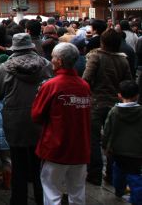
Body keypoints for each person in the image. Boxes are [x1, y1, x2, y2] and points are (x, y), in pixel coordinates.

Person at [0, 33, 53, 205]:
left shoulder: (4, 68)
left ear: (14, 48)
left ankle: (18, 199)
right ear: (32, 47)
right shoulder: (46, 65)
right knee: (39, 164)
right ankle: (41, 198)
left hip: (14, 120)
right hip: (40, 118)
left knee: (18, 162)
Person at [32, 42, 91, 205]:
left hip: (55, 147)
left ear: (59, 61)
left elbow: (36, 115)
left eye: (52, 58)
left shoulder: (51, 85)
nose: (51, 61)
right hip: (80, 147)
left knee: (52, 193)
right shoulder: (84, 85)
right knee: (78, 192)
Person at [83, 28, 132, 185]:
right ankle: (111, 175)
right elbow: (127, 83)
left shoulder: (95, 57)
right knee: (112, 140)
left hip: (96, 102)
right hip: (115, 104)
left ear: (102, 42)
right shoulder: (123, 60)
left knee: (94, 139)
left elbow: (86, 79)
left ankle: (95, 174)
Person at [102, 80, 142, 200]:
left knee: (118, 171)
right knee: (135, 175)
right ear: (137, 95)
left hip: (117, 150)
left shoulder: (114, 112)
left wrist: (105, 146)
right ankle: (137, 199)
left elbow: (107, 130)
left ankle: (119, 190)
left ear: (119, 95)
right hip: (137, 151)